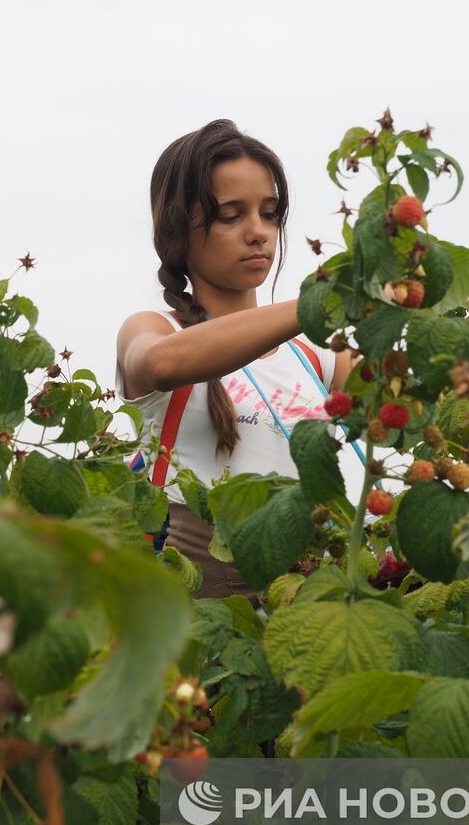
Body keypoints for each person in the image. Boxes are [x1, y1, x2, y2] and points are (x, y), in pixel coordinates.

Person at [114, 119, 354, 606]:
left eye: (269, 214)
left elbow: (403, 397)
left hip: (309, 580)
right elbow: (159, 364)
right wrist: (318, 302)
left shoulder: (315, 354)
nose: (258, 233)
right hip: (202, 580)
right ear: (179, 228)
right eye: (230, 215)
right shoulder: (157, 329)